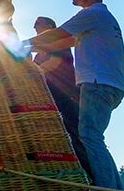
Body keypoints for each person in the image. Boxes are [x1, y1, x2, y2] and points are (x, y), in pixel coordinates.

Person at [26, 0, 124, 190]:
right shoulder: (102, 18)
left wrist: (17, 44)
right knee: (94, 137)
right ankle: (113, 185)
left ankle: (106, 187)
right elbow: (63, 42)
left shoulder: (91, 14)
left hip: (96, 83)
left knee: (89, 137)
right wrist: (26, 49)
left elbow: (57, 34)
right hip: (111, 85)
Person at [33, 16, 91, 180]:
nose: (34, 26)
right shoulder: (39, 53)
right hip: (51, 99)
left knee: (76, 137)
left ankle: (91, 178)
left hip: (67, 96)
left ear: (50, 26)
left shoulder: (58, 42)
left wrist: (31, 74)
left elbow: (54, 63)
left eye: (38, 22)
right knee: (58, 138)